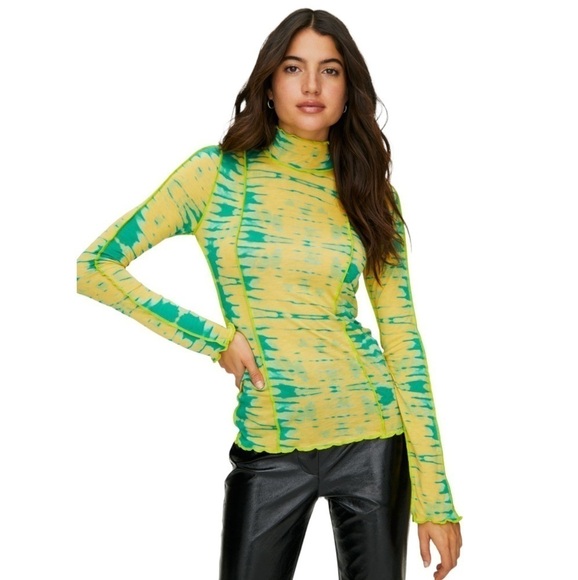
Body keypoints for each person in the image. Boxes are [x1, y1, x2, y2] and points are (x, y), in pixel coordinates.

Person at [77, 8, 462, 580]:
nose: (311, 86)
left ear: (348, 91)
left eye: (330, 71)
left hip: (374, 439)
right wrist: (215, 340)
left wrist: (436, 500)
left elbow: (402, 340)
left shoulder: (371, 195)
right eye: (293, 68)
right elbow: (95, 268)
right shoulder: (217, 175)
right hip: (270, 447)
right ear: (268, 83)